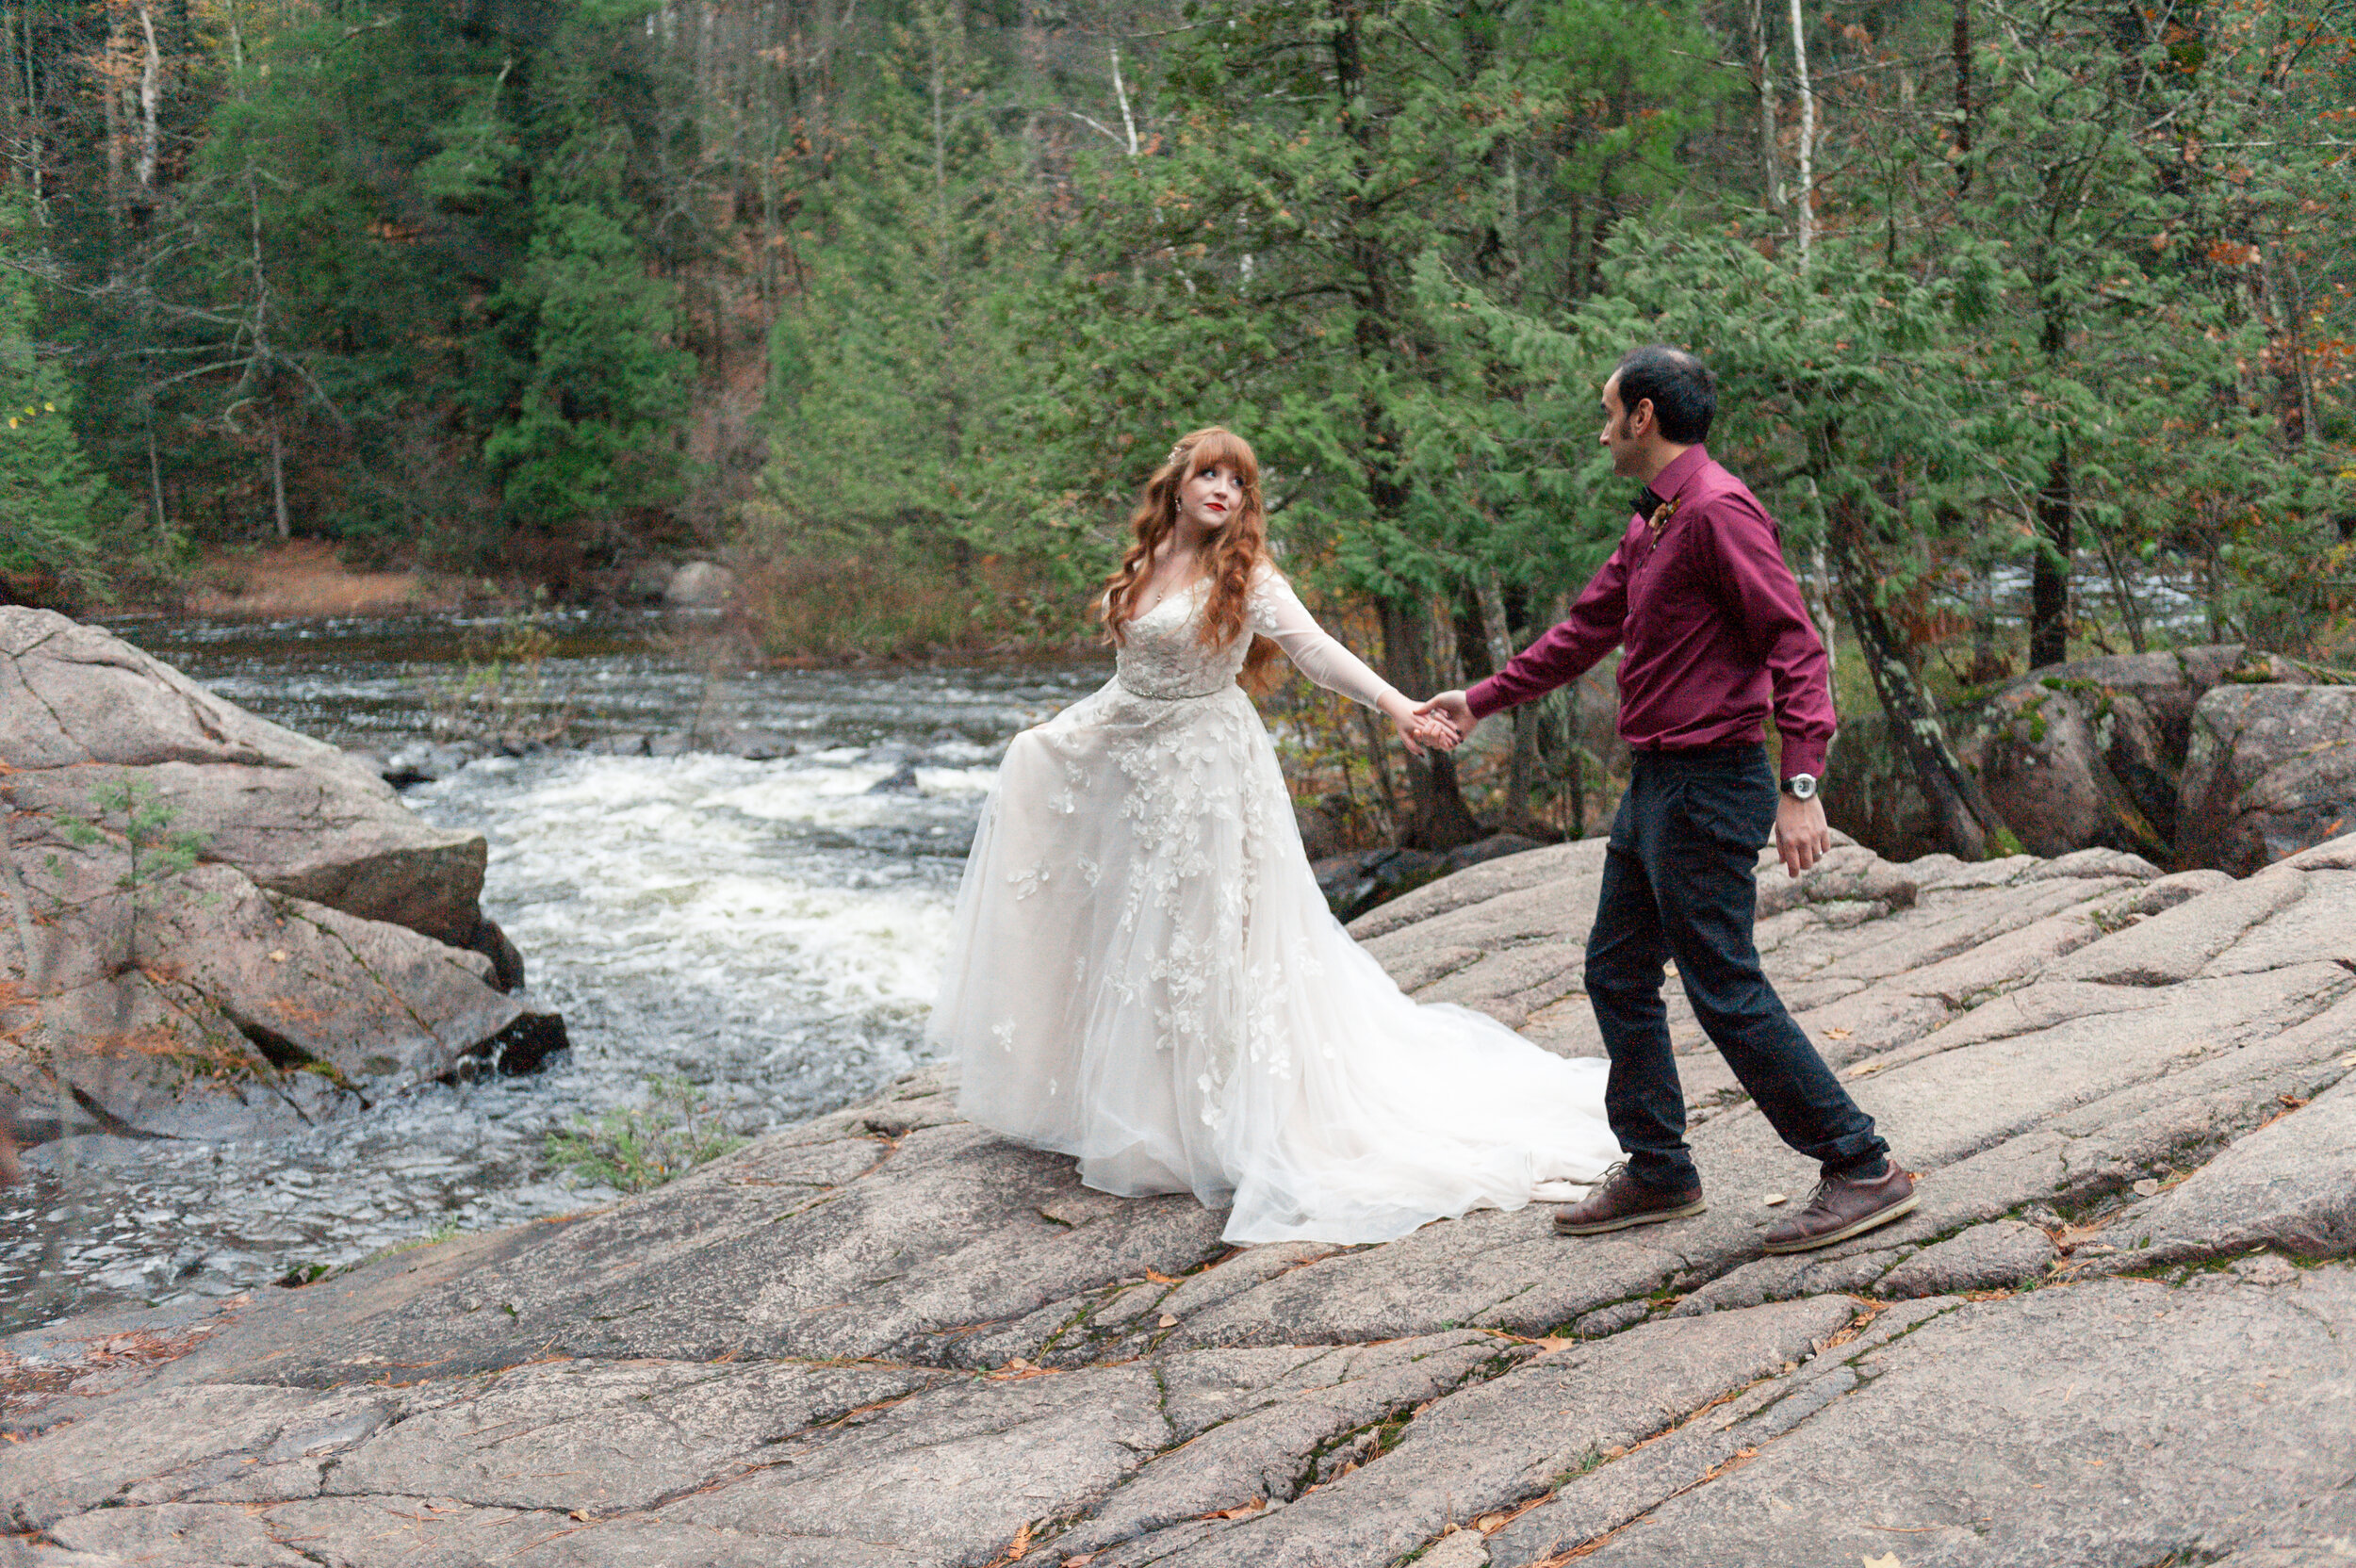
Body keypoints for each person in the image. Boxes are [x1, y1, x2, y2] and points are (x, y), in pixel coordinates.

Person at [931, 426, 1623, 1246]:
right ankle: (1152, 1110)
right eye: (1208, 473)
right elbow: (1130, 683)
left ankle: (1221, 1117)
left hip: (1211, 775)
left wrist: (1400, 707)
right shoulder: (1147, 563)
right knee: (1141, 932)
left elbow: (1315, 651)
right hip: (1138, 767)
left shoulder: (1245, 574)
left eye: (1238, 480)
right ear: (1178, 485)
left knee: (1208, 938)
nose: (1222, 488)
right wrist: (1051, 743)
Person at [1417, 346, 1917, 1254]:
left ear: (1642, 416)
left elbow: (1797, 647)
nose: (1601, 425)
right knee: (1616, 971)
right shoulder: (1659, 516)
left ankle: (1861, 1165)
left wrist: (1800, 784)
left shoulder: (1719, 512)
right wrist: (1482, 699)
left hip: (1713, 781)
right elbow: (1588, 628)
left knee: (1724, 986)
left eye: (1608, 408)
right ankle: (1659, 1166)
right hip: (1657, 784)